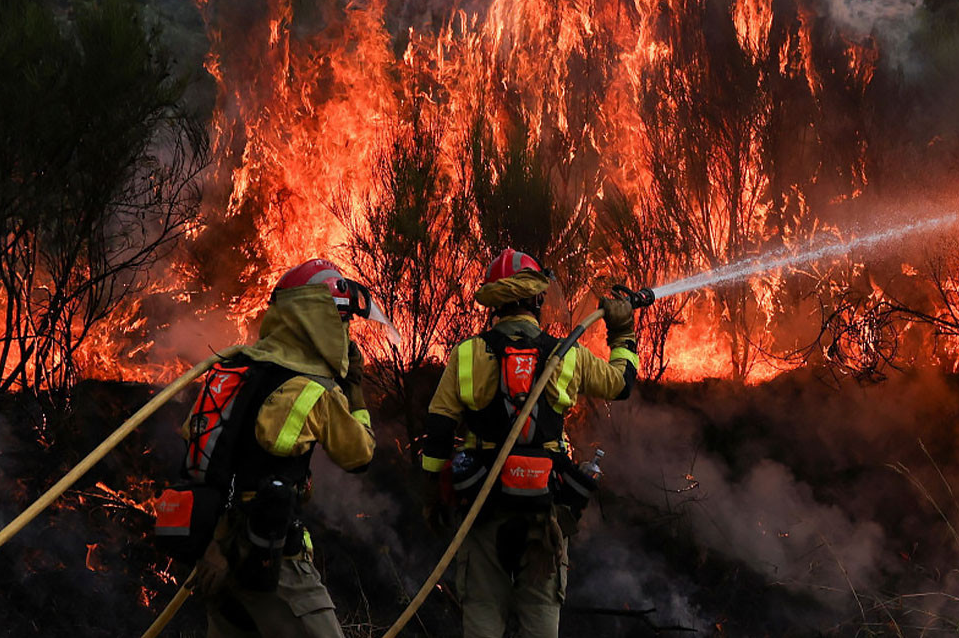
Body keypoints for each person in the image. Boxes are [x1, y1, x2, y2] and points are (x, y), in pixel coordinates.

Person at [420, 248, 640, 638]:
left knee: (482, 617)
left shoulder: (467, 354)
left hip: (483, 511)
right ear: (538, 298)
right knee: (541, 621)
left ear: (496, 303)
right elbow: (620, 384)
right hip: (544, 513)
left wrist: (436, 495)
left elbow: (438, 430)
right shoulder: (568, 354)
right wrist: (622, 332)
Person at [192, 259, 378, 638]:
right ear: (320, 319)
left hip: (215, 551)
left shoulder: (233, 370)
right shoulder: (313, 390)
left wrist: (213, 546)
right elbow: (360, 455)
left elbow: (208, 458)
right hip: (273, 559)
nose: (345, 333)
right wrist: (354, 388)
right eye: (342, 320)